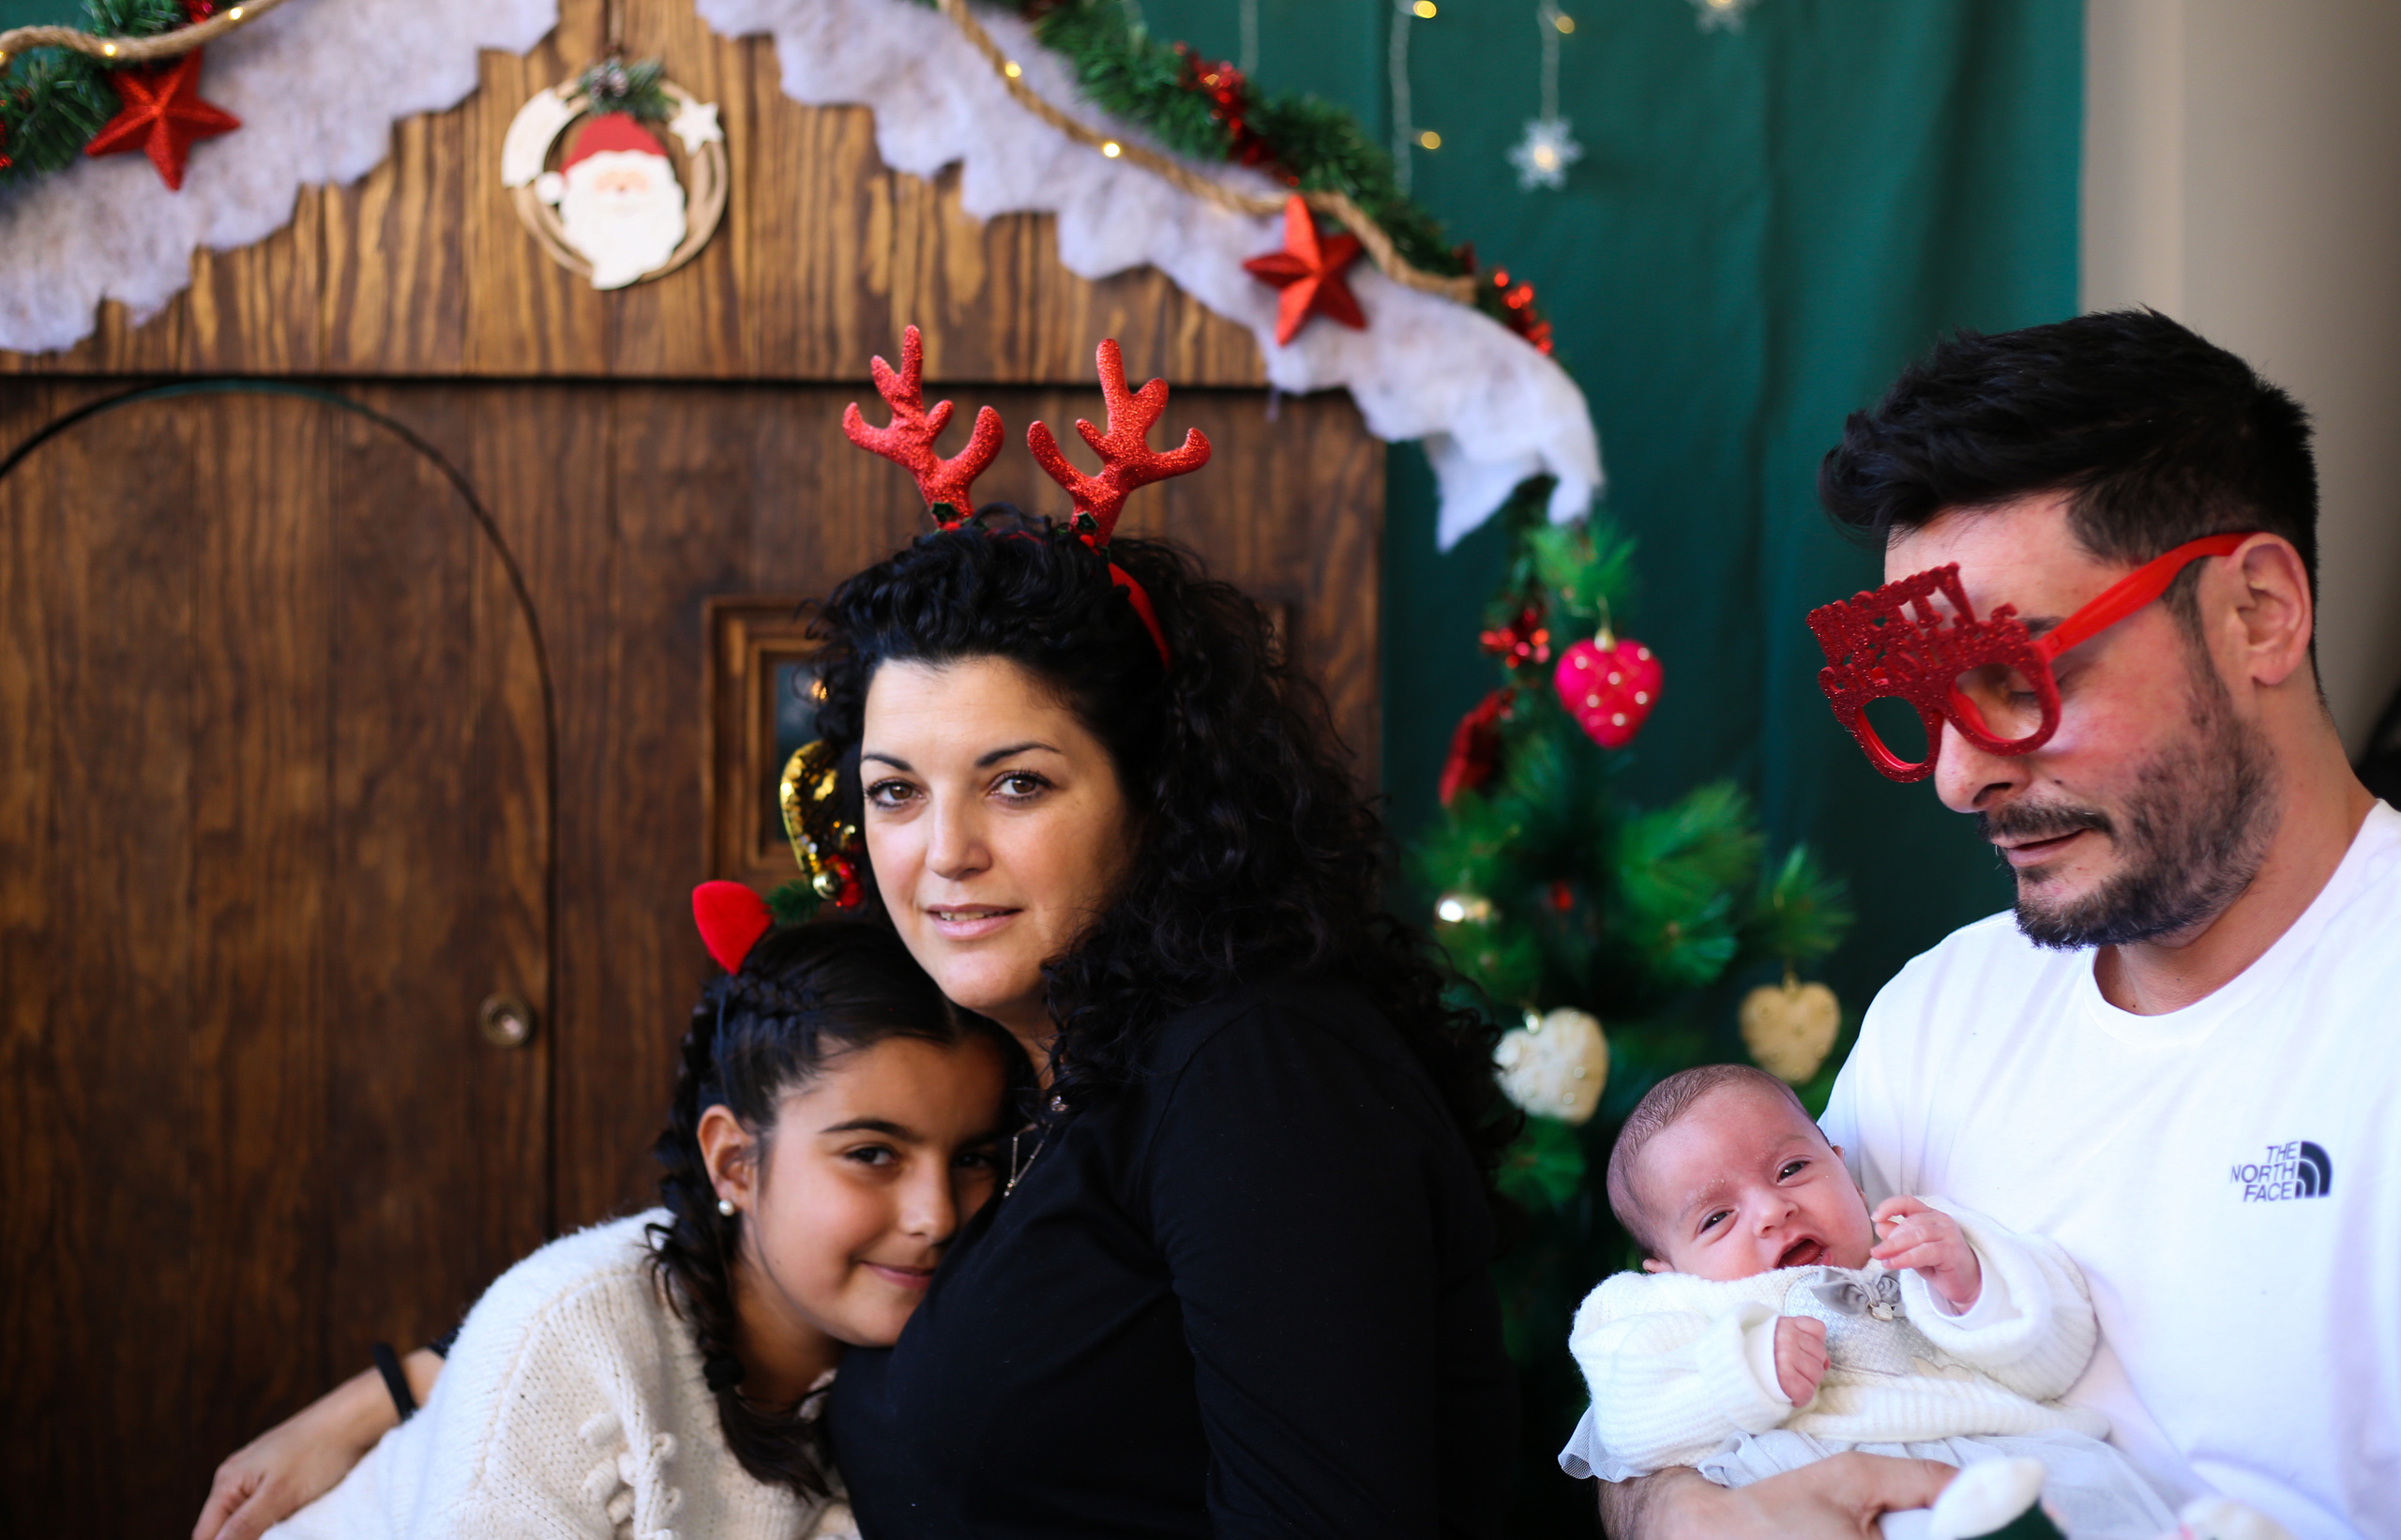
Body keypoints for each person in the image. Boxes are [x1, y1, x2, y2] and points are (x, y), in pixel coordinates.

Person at [196, 332, 1518, 1540]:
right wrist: (396, 1385)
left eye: (1018, 782)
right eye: (897, 790)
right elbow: (756, 1281)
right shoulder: (1028, 1068)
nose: (942, 851)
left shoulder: (1254, 1065)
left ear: (1159, 793)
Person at [1604, 310, 2400, 1540]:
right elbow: (1677, 1379)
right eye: (1925, 702)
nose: (1958, 775)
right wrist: (1682, 1514)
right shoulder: (1939, 1013)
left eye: (2019, 675)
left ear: (2257, 613)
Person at [218, 904, 1025, 1540]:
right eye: (874, 1154)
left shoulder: (916, 1363)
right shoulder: (579, 1331)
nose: (936, 1215)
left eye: (974, 1157)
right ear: (736, 1163)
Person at [1561, 1064, 2172, 1539]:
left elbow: (2059, 1357)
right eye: (1717, 1217)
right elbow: (1629, 1419)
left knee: (2091, 1489)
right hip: (1823, 1493)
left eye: (1793, 1167)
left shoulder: (1918, 1244)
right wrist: (1740, 1367)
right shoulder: (1676, 1311)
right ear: (1666, 1271)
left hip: (2002, 1451)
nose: (1774, 1210)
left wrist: (1971, 1288)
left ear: (1846, 1173)